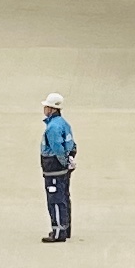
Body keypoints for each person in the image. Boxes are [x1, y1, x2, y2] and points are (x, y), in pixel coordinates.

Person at [40, 89, 77, 244]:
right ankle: (65, 229)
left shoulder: (52, 128)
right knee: (64, 197)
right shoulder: (64, 124)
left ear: (52, 109)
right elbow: (72, 145)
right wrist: (70, 161)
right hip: (62, 168)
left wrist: (63, 162)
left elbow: (57, 149)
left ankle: (58, 232)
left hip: (54, 168)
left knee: (55, 199)